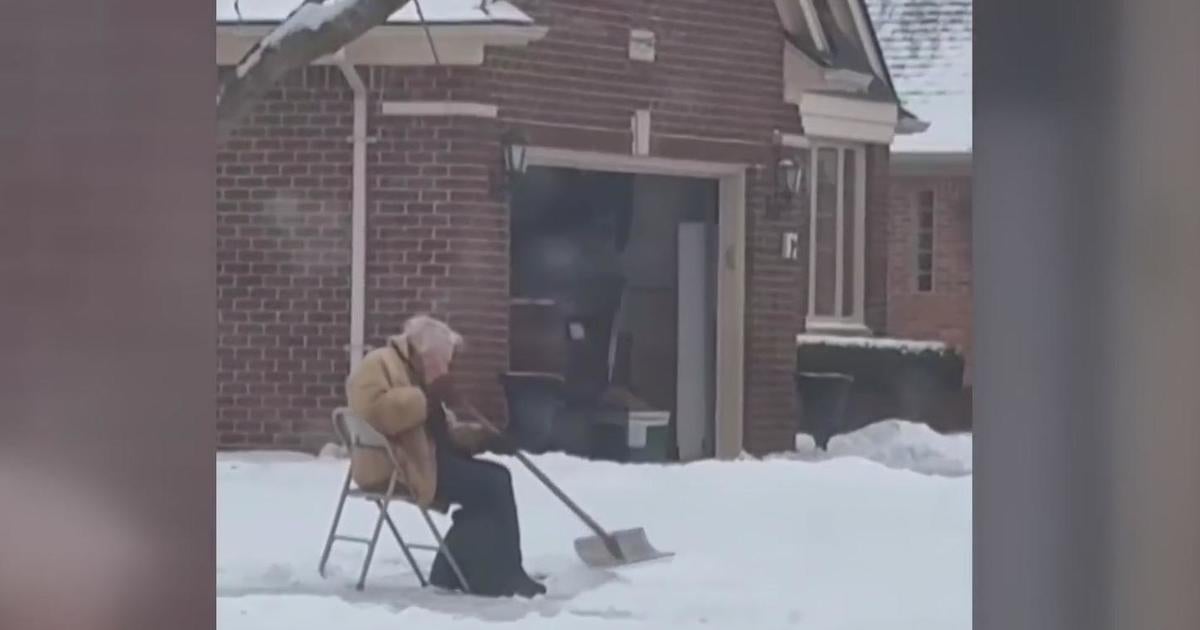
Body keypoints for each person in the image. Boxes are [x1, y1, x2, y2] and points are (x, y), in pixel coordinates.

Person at [345, 314, 546, 598]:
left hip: (429, 460)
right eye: (444, 361)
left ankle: (456, 573)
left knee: (491, 483)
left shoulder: (417, 374)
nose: (446, 369)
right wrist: (426, 399)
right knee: (494, 483)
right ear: (425, 353)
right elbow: (377, 413)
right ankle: (504, 575)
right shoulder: (379, 364)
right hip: (402, 466)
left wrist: (486, 439)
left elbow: (447, 433)